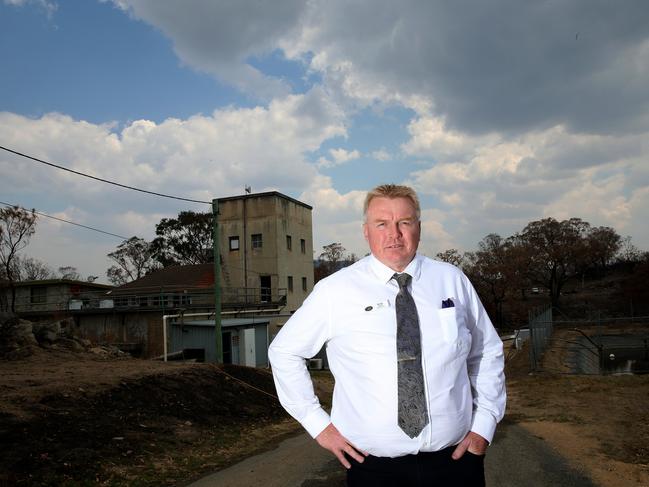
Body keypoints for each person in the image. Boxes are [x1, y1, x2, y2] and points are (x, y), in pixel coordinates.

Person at [268, 184, 506, 486]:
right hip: (374, 471)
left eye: (404, 222)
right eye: (382, 224)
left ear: (418, 227)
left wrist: (484, 425)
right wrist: (319, 426)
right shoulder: (334, 291)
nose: (394, 234)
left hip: (456, 463)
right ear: (366, 231)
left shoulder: (452, 280)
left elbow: (486, 351)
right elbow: (284, 352)